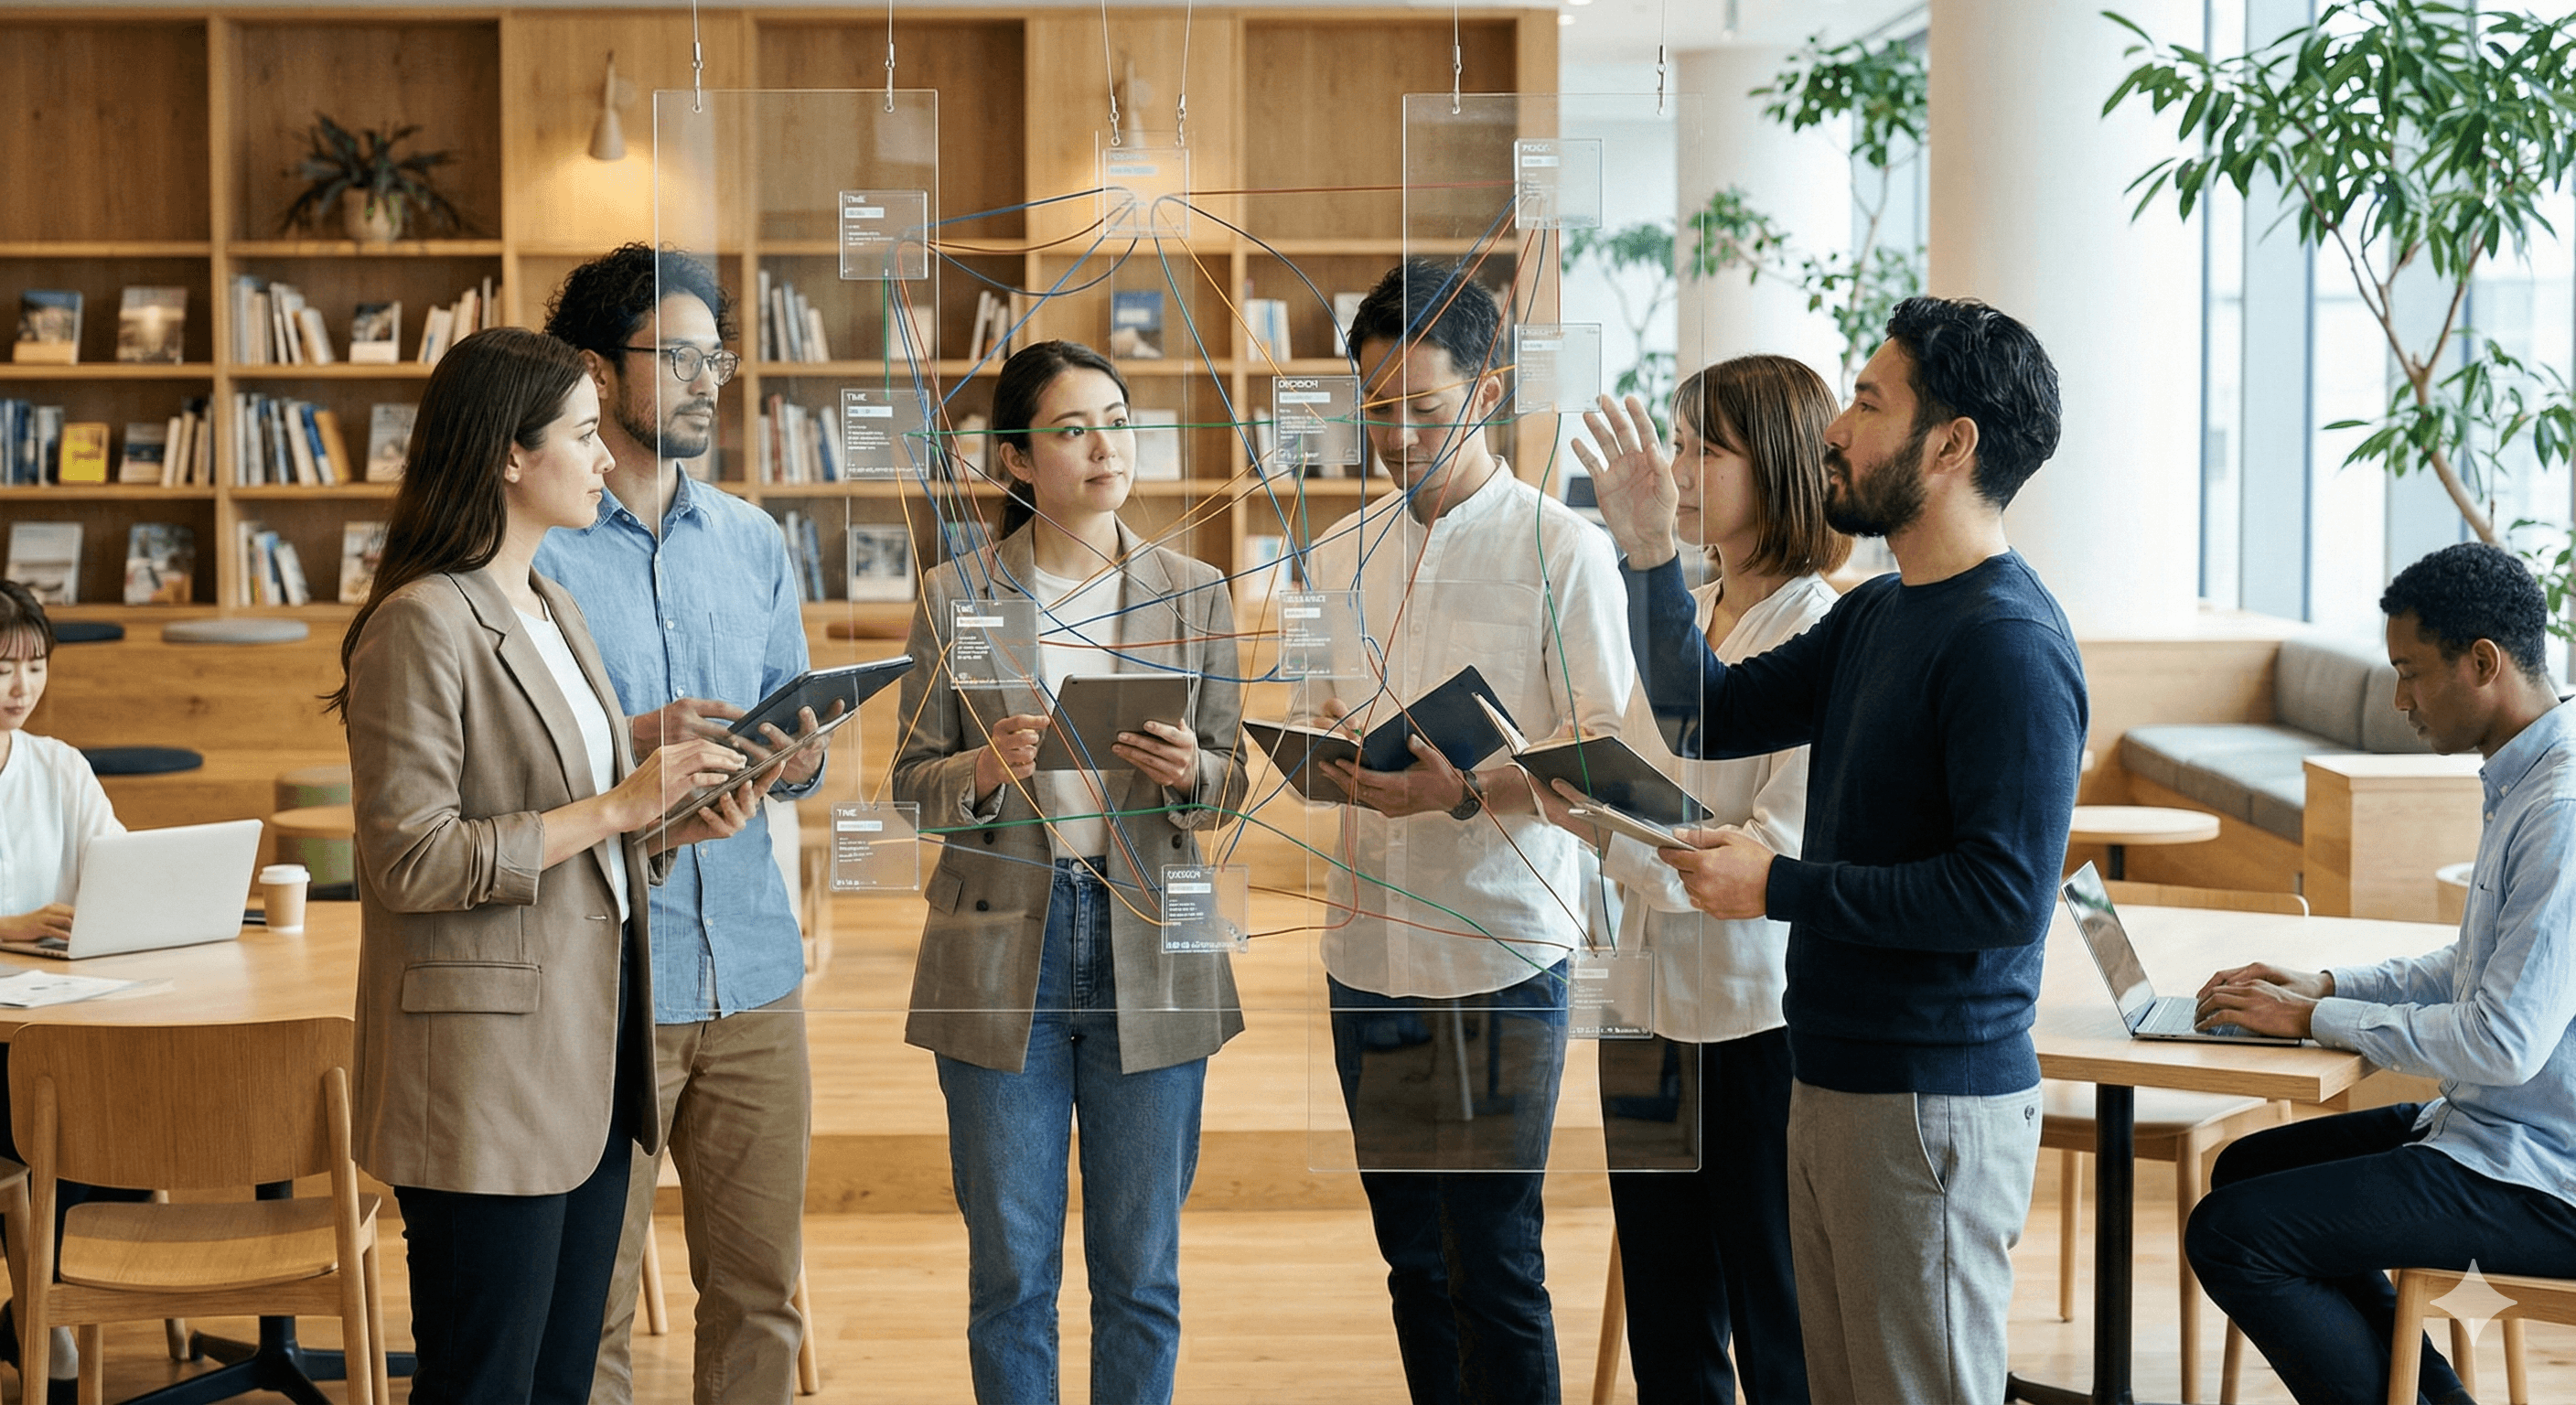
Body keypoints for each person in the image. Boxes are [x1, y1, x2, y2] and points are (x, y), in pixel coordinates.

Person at [1583, 296, 2083, 1405]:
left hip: (1928, 1093)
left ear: (1948, 447)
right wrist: (1648, 550)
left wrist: (1779, 885)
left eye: (1866, 403)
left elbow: (2001, 898)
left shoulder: (2006, 641)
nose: (1832, 433)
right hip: (1836, 1070)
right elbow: (1699, 711)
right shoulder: (1882, 615)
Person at [334, 327, 757, 1405]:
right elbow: (408, 860)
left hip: (587, 1064)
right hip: (484, 1083)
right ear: (509, 456)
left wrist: (663, 828)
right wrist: (618, 804)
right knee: (485, 1386)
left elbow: (576, 833)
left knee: (562, 1381)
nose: (608, 456)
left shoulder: (553, 608)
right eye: (583, 434)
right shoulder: (420, 623)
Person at [1299, 259, 1634, 1405]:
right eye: (1374, 407)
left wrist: (1462, 795)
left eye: (1420, 410)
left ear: (1486, 393)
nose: (1391, 435)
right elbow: (1310, 711)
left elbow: (1604, 770)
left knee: (1492, 1259)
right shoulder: (1337, 551)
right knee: (1408, 1255)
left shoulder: (1564, 552)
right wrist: (1320, 744)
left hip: (1496, 952)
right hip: (1366, 951)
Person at [887, 339, 1248, 1403]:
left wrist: (1195, 771)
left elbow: (1230, 787)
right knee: (1010, 1274)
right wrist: (984, 770)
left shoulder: (1195, 591)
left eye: (1118, 420)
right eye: (1073, 427)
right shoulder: (959, 593)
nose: (1106, 446)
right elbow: (912, 782)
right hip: (1005, 947)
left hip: (1150, 938)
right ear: (1014, 462)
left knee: (1140, 1274)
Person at [531, 243, 826, 1405]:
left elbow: (792, 741)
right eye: (682, 357)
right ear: (599, 375)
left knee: (761, 1296)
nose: (711, 379)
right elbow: (512, 767)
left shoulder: (755, 540)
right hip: (607, 983)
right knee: (589, 1305)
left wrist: (794, 758)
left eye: (719, 357)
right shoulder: (534, 547)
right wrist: (630, 745)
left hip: (753, 971)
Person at [2184, 542, 2576, 1405]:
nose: (2398, 698)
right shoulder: (2529, 779)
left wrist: (2313, 1023)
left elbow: (2504, 1043)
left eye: (2411, 672)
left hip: (2543, 1180)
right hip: (2497, 1134)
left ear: (2483, 663)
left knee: (2235, 1235)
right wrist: (2327, 986)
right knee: (2245, 1175)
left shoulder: (2560, 810)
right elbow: (2471, 968)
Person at [1534, 355, 1844, 1404]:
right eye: (1675, 442)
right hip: (1640, 1006)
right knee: (1667, 1316)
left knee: (1773, 1316)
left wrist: (1609, 831)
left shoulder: (1819, 629)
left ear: (1784, 467)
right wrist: (1573, 796)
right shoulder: (1684, 607)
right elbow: (1642, 772)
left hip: (1753, 1022)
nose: (1671, 471)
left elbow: (1767, 849)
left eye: (1700, 448)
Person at [0, 580, 128, 1401]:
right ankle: (43, 1315)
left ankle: (41, 1311)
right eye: (2, 669)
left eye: (36, 667)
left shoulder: (60, 767)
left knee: (98, 1101)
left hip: (62, 1018)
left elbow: (120, 873)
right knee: (56, 1111)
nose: (22, 689)